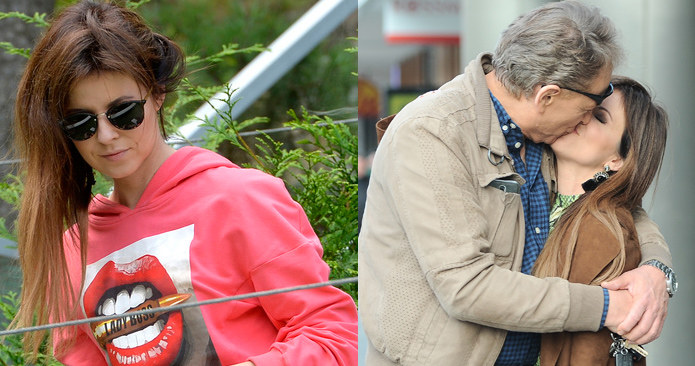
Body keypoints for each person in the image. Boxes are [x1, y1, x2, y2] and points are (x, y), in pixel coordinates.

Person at [12, 1, 358, 365]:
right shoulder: (72, 248)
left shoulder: (240, 200)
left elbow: (334, 336)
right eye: (82, 123)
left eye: (124, 113)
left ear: (157, 94)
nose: (107, 135)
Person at [359, 1, 673, 365]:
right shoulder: (433, 133)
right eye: (594, 102)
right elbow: (467, 287)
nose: (587, 118)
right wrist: (607, 307)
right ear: (548, 96)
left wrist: (654, 268)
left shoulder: (544, 132)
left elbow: (612, 200)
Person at [534, 77, 669, 365]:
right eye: (586, 106)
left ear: (617, 160)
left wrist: (657, 265)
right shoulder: (529, 187)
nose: (581, 117)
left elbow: (586, 352)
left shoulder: (605, 232)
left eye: (599, 117)